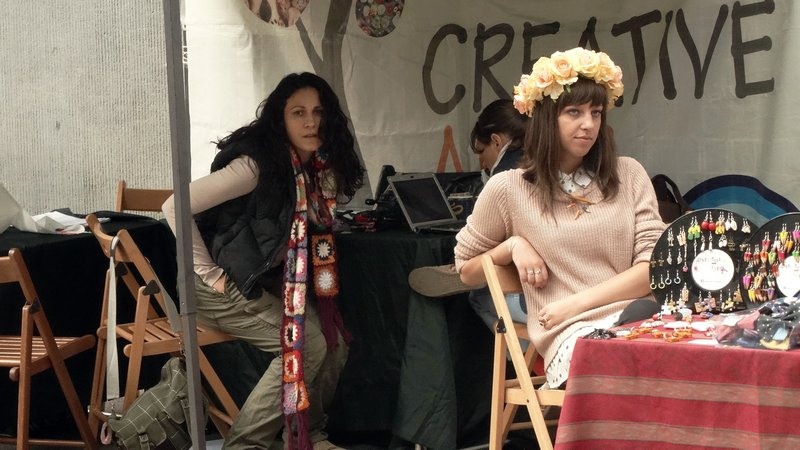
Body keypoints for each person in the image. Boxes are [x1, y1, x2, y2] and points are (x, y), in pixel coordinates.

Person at [162, 72, 364, 450]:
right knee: (306, 345)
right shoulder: (257, 166)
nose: (311, 122)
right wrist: (208, 273)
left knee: (333, 342)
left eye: (318, 112)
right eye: (298, 112)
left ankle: (307, 435)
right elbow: (174, 206)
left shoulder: (316, 170)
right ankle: (244, 445)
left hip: (261, 282)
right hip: (219, 287)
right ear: (280, 119)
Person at [454, 47, 665, 389]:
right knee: (620, 357)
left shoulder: (629, 174)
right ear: (546, 118)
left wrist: (573, 304)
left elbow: (652, 269)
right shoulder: (508, 188)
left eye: (596, 113)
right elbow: (465, 270)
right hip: (572, 334)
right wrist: (512, 246)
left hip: (640, 320)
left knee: (695, 348)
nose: (588, 124)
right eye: (574, 112)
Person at [408, 98, 530, 327]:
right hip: (574, 291)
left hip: (532, 300)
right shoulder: (556, 164)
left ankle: (526, 353)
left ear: (496, 141)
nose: (482, 163)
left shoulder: (503, 180)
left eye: (481, 151)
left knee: (478, 294)